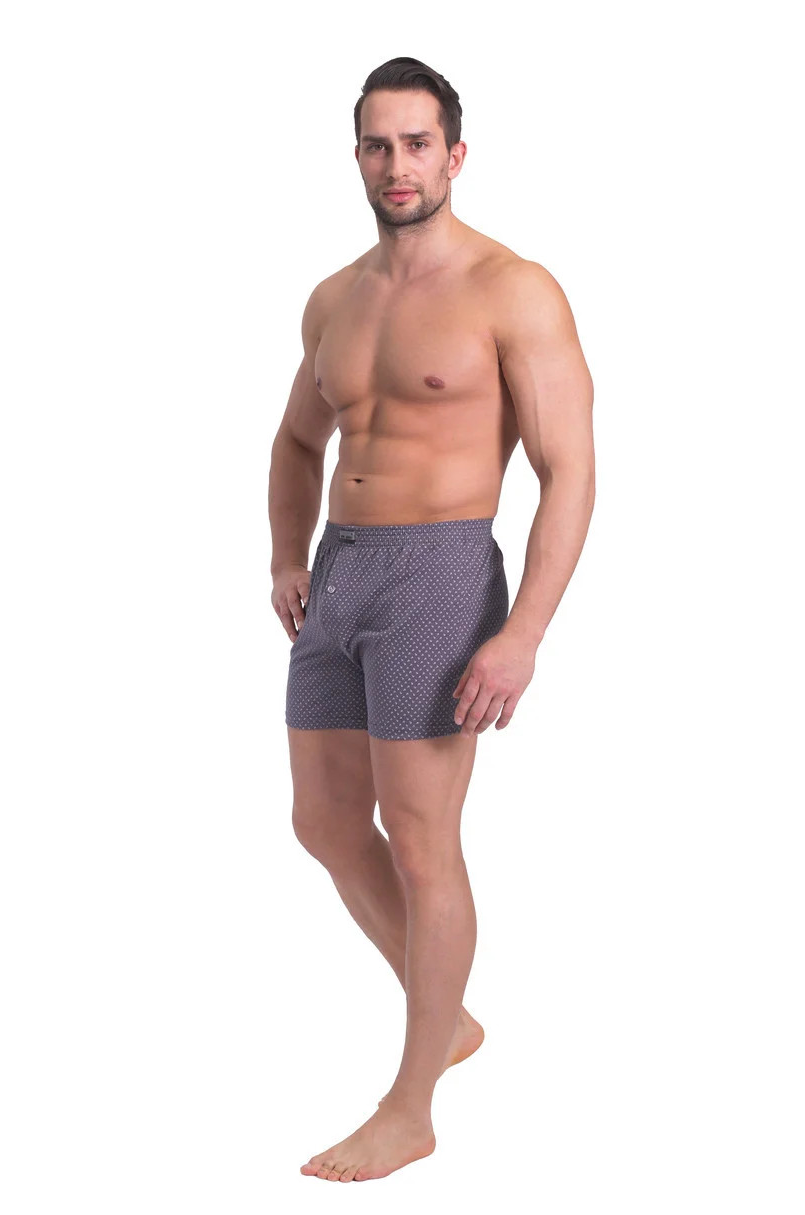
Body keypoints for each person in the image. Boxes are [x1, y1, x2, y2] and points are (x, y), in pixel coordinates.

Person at [268, 56, 595, 1183]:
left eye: (417, 144)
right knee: (323, 819)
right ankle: (443, 1010)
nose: (396, 164)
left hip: (440, 574)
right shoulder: (335, 298)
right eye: (378, 144)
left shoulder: (514, 289)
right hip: (339, 570)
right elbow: (297, 440)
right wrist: (285, 555)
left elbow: (569, 469)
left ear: (455, 154)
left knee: (420, 839)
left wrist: (523, 633)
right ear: (357, 156)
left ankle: (410, 1107)